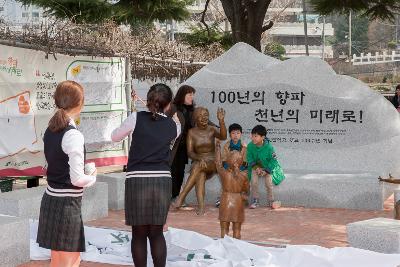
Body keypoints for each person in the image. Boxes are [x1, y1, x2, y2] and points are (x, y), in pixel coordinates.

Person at [111, 83, 181, 267]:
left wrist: (133, 115)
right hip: (162, 181)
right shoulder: (174, 125)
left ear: (149, 100)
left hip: (137, 180)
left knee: (139, 233)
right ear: (168, 104)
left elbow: (114, 136)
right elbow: (170, 130)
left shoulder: (135, 118)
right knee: (157, 233)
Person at [36, 80, 97, 267]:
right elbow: (77, 178)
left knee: (58, 259)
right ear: (80, 103)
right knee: (69, 261)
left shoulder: (50, 129)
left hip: (52, 198)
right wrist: (93, 176)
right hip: (66, 203)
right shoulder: (73, 135)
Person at [174, 107, 227, 215]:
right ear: (195, 119)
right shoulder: (192, 132)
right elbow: (190, 153)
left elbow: (223, 136)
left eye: (206, 115)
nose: (204, 118)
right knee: (200, 174)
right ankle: (201, 207)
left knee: (198, 167)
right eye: (201, 116)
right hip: (199, 161)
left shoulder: (211, 129)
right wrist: (199, 158)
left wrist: (221, 121)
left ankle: (182, 196)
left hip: (212, 162)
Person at [215, 140, 249, 239]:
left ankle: (224, 249)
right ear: (241, 162)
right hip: (238, 202)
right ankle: (236, 249)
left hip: (225, 201)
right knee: (237, 229)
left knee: (224, 229)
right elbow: (246, 190)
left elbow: (217, 163)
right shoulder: (244, 175)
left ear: (228, 160)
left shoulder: (224, 173)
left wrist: (217, 148)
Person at [247, 125, 285, 209]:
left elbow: (273, 160)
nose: (253, 138)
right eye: (252, 135)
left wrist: (266, 171)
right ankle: (255, 200)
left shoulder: (269, 147)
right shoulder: (250, 146)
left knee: (268, 183)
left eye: (255, 136)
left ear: (262, 137)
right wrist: (256, 168)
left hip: (267, 167)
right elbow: (249, 158)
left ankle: (271, 201)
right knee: (254, 182)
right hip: (255, 167)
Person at [169, 85, 195, 201]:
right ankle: (170, 196)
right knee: (172, 171)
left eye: (192, 95)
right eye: (189, 94)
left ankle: (175, 196)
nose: (192, 97)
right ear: (182, 95)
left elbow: (203, 120)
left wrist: (217, 127)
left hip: (184, 147)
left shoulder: (191, 110)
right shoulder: (173, 108)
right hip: (172, 146)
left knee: (179, 172)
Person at [215, 123, 247, 208]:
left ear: (241, 134)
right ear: (230, 135)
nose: (235, 135)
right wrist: (229, 168)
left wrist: (239, 169)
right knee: (226, 178)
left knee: (243, 178)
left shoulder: (243, 146)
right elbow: (224, 159)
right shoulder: (227, 146)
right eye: (233, 133)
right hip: (229, 167)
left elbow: (245, 160)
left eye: (238, 133)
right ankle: (221, 198)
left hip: (240, 168)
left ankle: (242, 198)